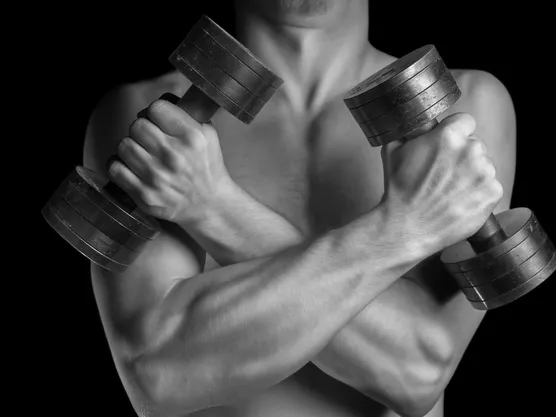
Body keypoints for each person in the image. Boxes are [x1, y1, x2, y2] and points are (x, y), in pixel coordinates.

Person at [83, 1, 514, 416]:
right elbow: (159, 379)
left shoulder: (464, 105)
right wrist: (404, 229)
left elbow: (418, 374)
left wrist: (213, 206)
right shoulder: (151, 124)